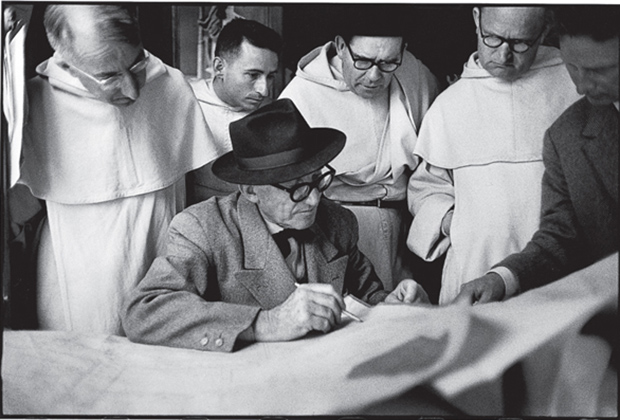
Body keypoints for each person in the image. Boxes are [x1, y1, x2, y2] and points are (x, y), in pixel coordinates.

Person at [122, 99, 429, 352]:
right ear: (251, 191)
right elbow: (145, 311)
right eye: (296, 188)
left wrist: (388, 305)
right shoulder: (201, 228)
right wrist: (265, 323)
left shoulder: (338, 221)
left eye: (317, 180)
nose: (313, 200)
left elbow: (365, 296)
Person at [16, 5, 217, 335]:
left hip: (164, 254)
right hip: (81, 278)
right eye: (108, 76)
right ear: (64, 59)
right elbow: (21, 209)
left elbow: (201, 193)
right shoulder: (35, 105)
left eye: (136, 65)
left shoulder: (173, 85)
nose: (132, 90)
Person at [407, 6, 582, 304]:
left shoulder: (577, 84)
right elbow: (425, 189)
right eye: (493, 38)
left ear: (545, 30)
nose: (504, 55)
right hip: (475, 268)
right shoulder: (449, 106)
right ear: (476, 20)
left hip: (561, 266)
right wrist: (453, 222)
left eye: (520, 43)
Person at [455, 6, 618, 304]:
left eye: (597, 71)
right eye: (572, 68)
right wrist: (501, 279)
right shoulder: (566, 137)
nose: (581, 87)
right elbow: (560, 240)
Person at [279, 12, 440, 291]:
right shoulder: (301, 96)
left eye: (389, 62)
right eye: (363, 61)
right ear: (341, 46)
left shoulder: (414, 75)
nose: (375, 76)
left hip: (405, 227)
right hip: (333, 230)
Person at [187, 18, 282, 204]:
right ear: (219, 67)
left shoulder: (275, 114)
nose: (264, 90)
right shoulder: (187, 103)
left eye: (270, 76)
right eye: (253, 75)